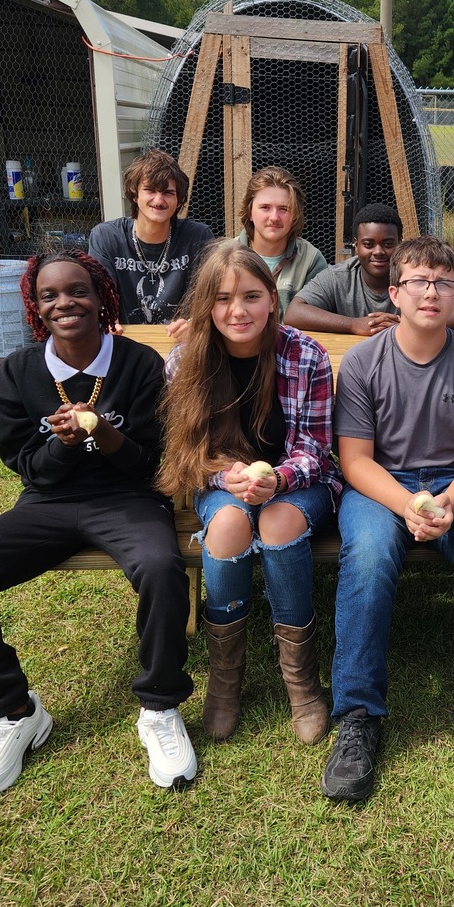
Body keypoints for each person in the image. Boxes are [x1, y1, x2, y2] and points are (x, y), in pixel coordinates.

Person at [0, 249, 196, 799]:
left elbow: (153, 464)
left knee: (160, 565)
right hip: (48, 504)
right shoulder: (16, 374)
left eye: (78, 290)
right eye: (49, 295)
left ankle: (160, 706)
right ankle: (12, 713)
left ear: (102, 298)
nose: (65, 303)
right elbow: (28, 466)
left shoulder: (138, 364)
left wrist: (101, 433)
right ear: (35, 305)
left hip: (129, 498)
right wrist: (65, 446)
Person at [321, 236, 454, 806]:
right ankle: (358, 716)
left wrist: (448, 504)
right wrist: (406, 504)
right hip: (383, 483)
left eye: (443, 283)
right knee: (365, 557)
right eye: (418, 282)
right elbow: (355, 460)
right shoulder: (363, 362)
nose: (430, 292)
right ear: (395, 292)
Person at [158, 240, 340, 745]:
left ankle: (299, 679)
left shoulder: (305, 354)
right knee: (231, 522)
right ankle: (224, 679)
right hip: (222, 483)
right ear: (205, 306)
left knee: (278, 519)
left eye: (251, 296)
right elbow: (188, 452)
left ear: (272, 301)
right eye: (221, 299)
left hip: (300, 484)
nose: (237, 311)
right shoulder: (184, 362)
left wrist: (277, 479)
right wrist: (227, 479)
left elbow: (319, 448)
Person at [285, 204, 454, 334]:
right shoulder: (339, 277)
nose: (378, 252)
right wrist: (354, 324)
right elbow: (294, 313)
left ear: (400, 243)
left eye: (388, 244)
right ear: (356, 245)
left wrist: (409, 324)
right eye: (368, 244)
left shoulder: (415, 275)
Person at [89, 149, 213, 334]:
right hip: (125, 340)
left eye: (168, 193)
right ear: (134, 195)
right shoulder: (106, 236)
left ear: (179, 200)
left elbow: (209, 292)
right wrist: (106, 319)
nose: (158, 200)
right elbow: (99, 292)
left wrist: (194, 322)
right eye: (150, 190)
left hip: (180, 342)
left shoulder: (198, 236)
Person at [235, 166, 326, 320]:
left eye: (283, 209)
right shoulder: (224, 256)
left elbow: (318, 321)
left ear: (295, 215)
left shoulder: (311, 260)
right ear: (250, 212)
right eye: (265, 208)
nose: (274, 217)